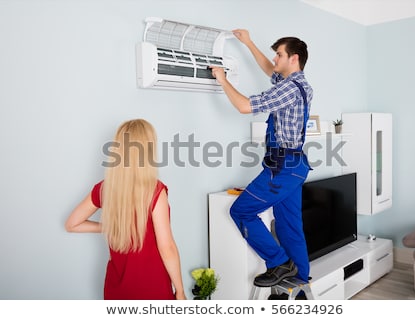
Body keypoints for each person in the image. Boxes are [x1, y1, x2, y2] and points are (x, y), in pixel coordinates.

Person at [211, 30, 313, 287]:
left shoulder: (289, 88)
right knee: (290, 226)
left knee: (241, 211)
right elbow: (270, 69)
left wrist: (222, 80)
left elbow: (245, 106)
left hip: (282, 169)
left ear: (294, 58)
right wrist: (248, 43)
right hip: (295, 165)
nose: (275, 59)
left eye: (279, 54)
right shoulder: (301, 85)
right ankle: (300, 276)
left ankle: (279, 262)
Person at [65, 119, 186, 300]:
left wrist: (109, 227)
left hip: (117, 290)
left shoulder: (104, 188)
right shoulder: (155, 192)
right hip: (152, 289)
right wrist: (181, 291)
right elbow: (167, 248)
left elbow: (72, 224)